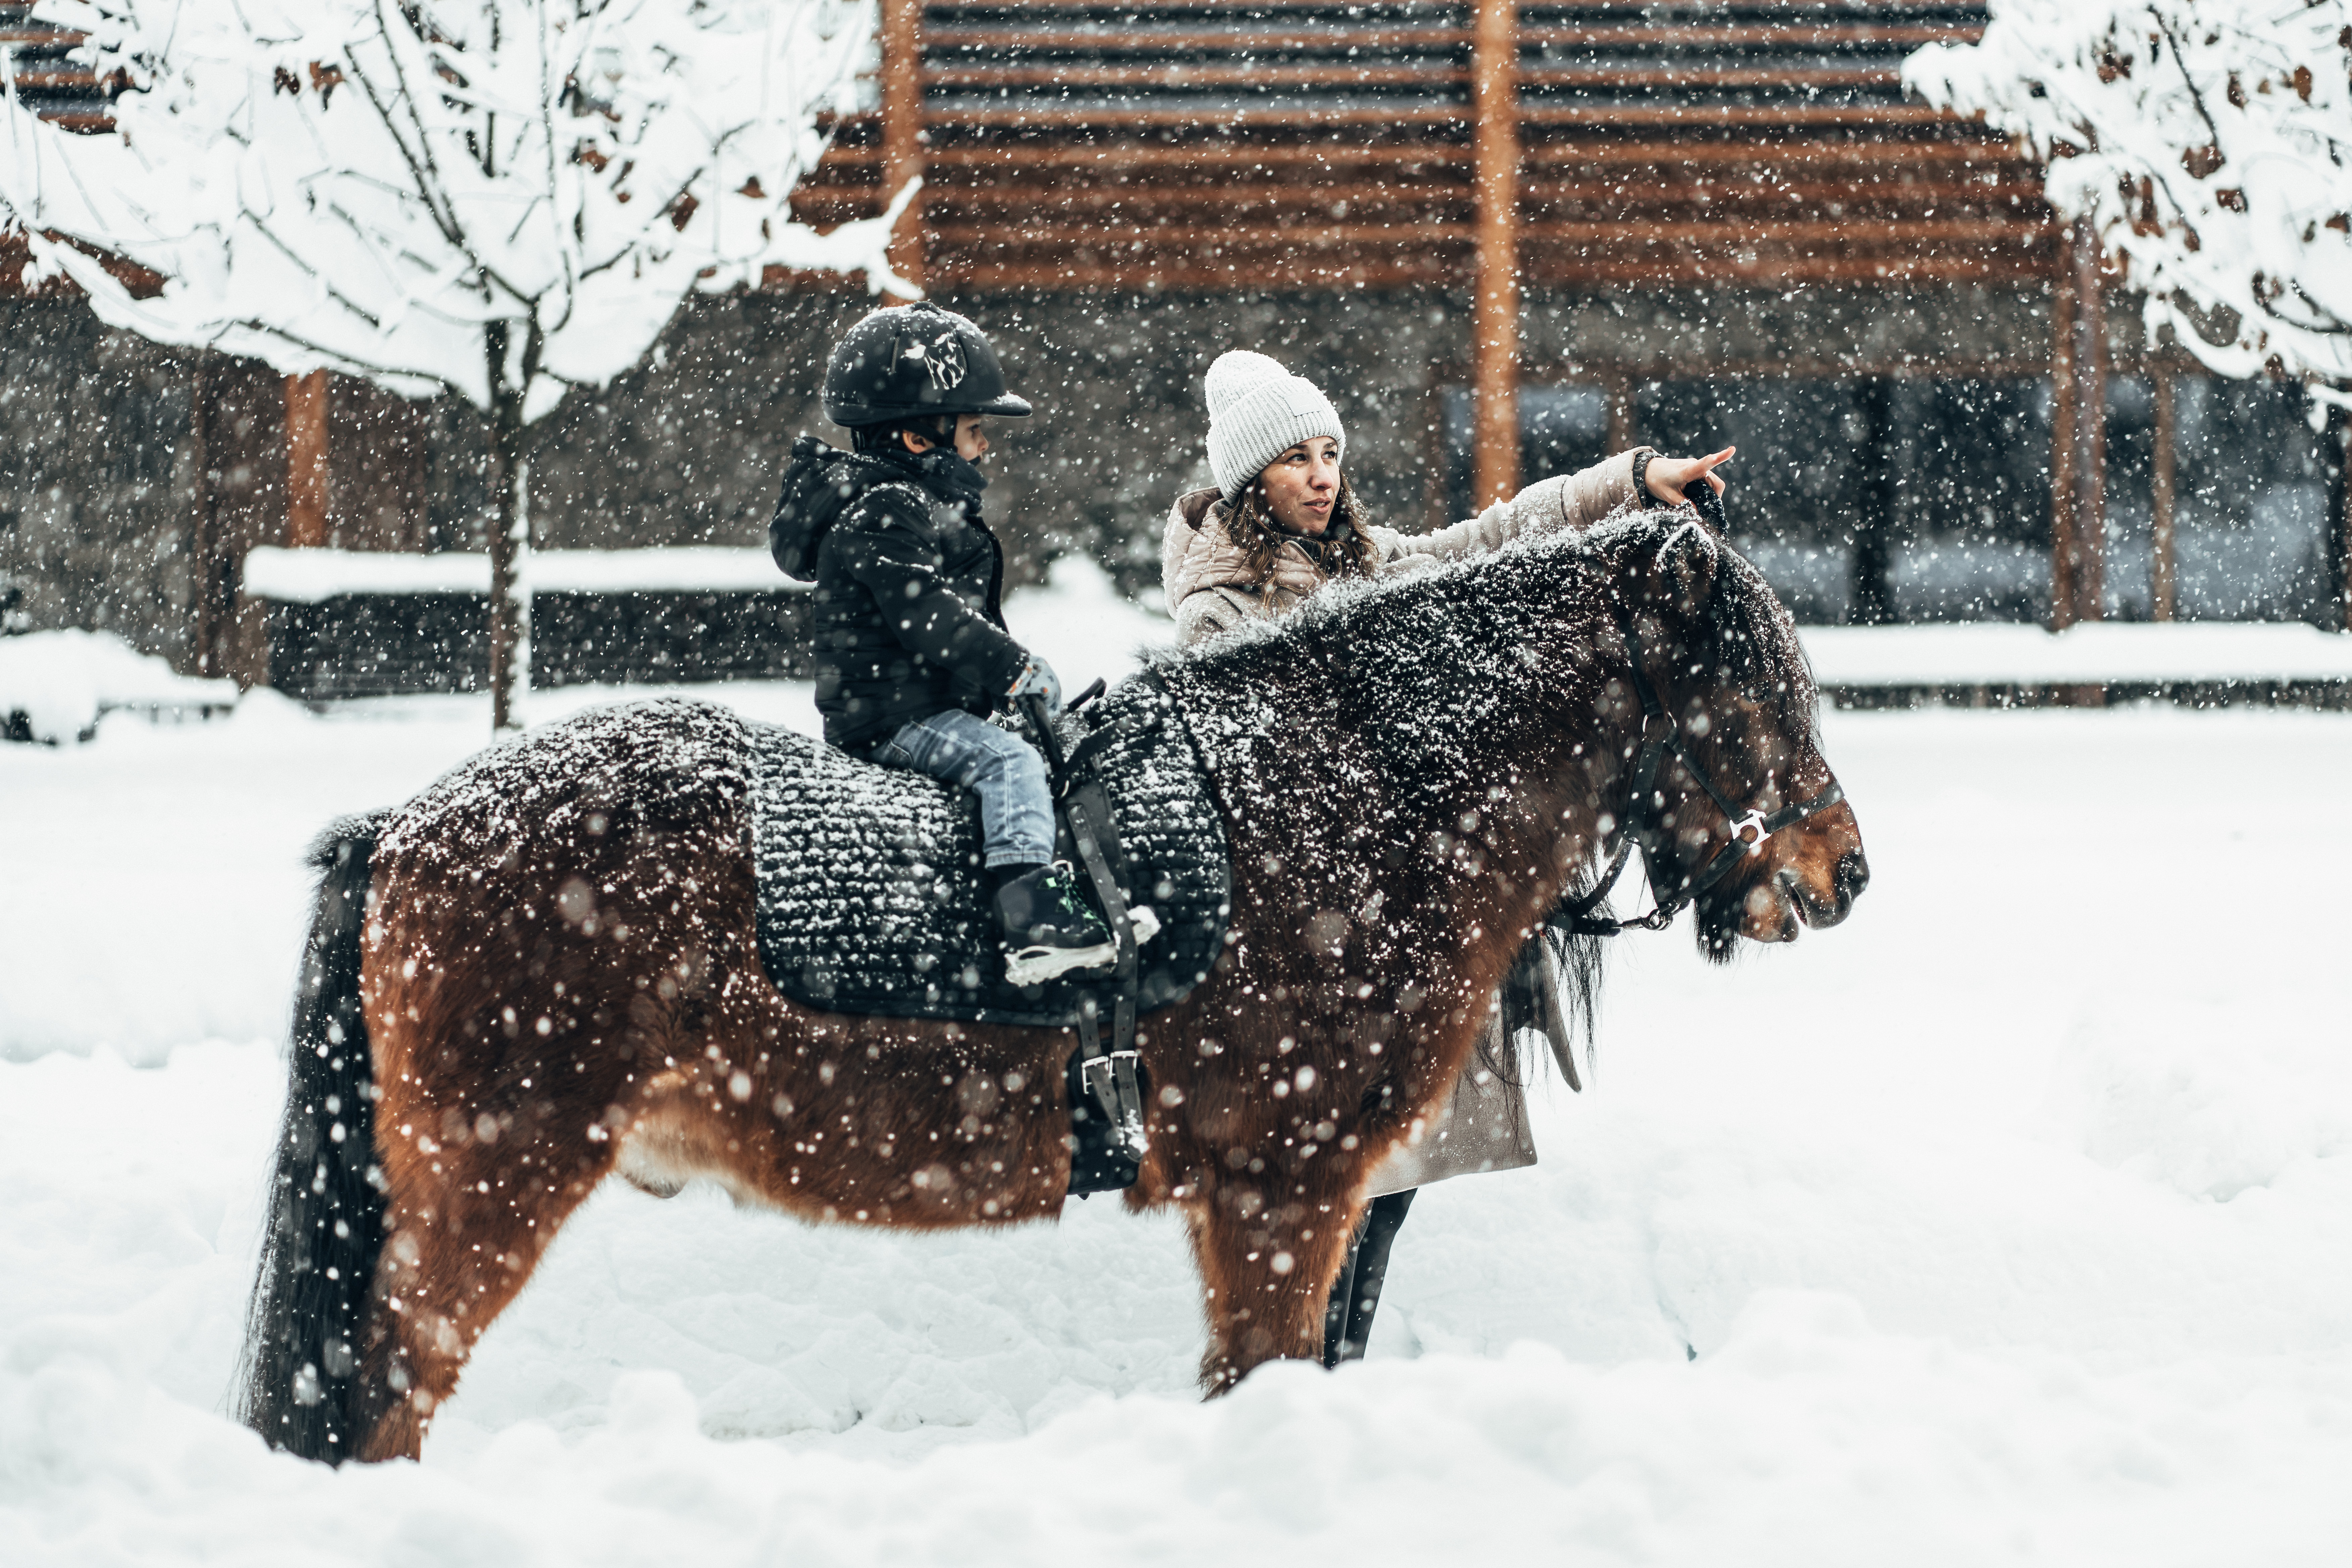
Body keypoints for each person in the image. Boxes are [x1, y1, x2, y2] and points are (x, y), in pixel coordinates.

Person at [1160, 349, 1733, 1364]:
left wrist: (1629, 480)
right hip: (1310, 957)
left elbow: (1501, 534)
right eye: (1294, 458)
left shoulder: (1377, 561)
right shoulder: (1222, 610)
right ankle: (1294, 1380)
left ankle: (1332, 1370)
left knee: (1390, 1187)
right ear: (1251, 480)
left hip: (1401, 936)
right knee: (1326, 1185)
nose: (1321, 473)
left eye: (1330, 451)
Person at [770, 300, 1141, 986]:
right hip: (891, 721)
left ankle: (1083, 886)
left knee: (1042, 748)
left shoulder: (901, 501)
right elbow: (929, 615)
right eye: (974, 430)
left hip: (917, 706)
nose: (984, 447)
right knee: (1010, 766)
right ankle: (1034, 922)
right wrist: (1012, 667)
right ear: (920, 440)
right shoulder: (887, 507)